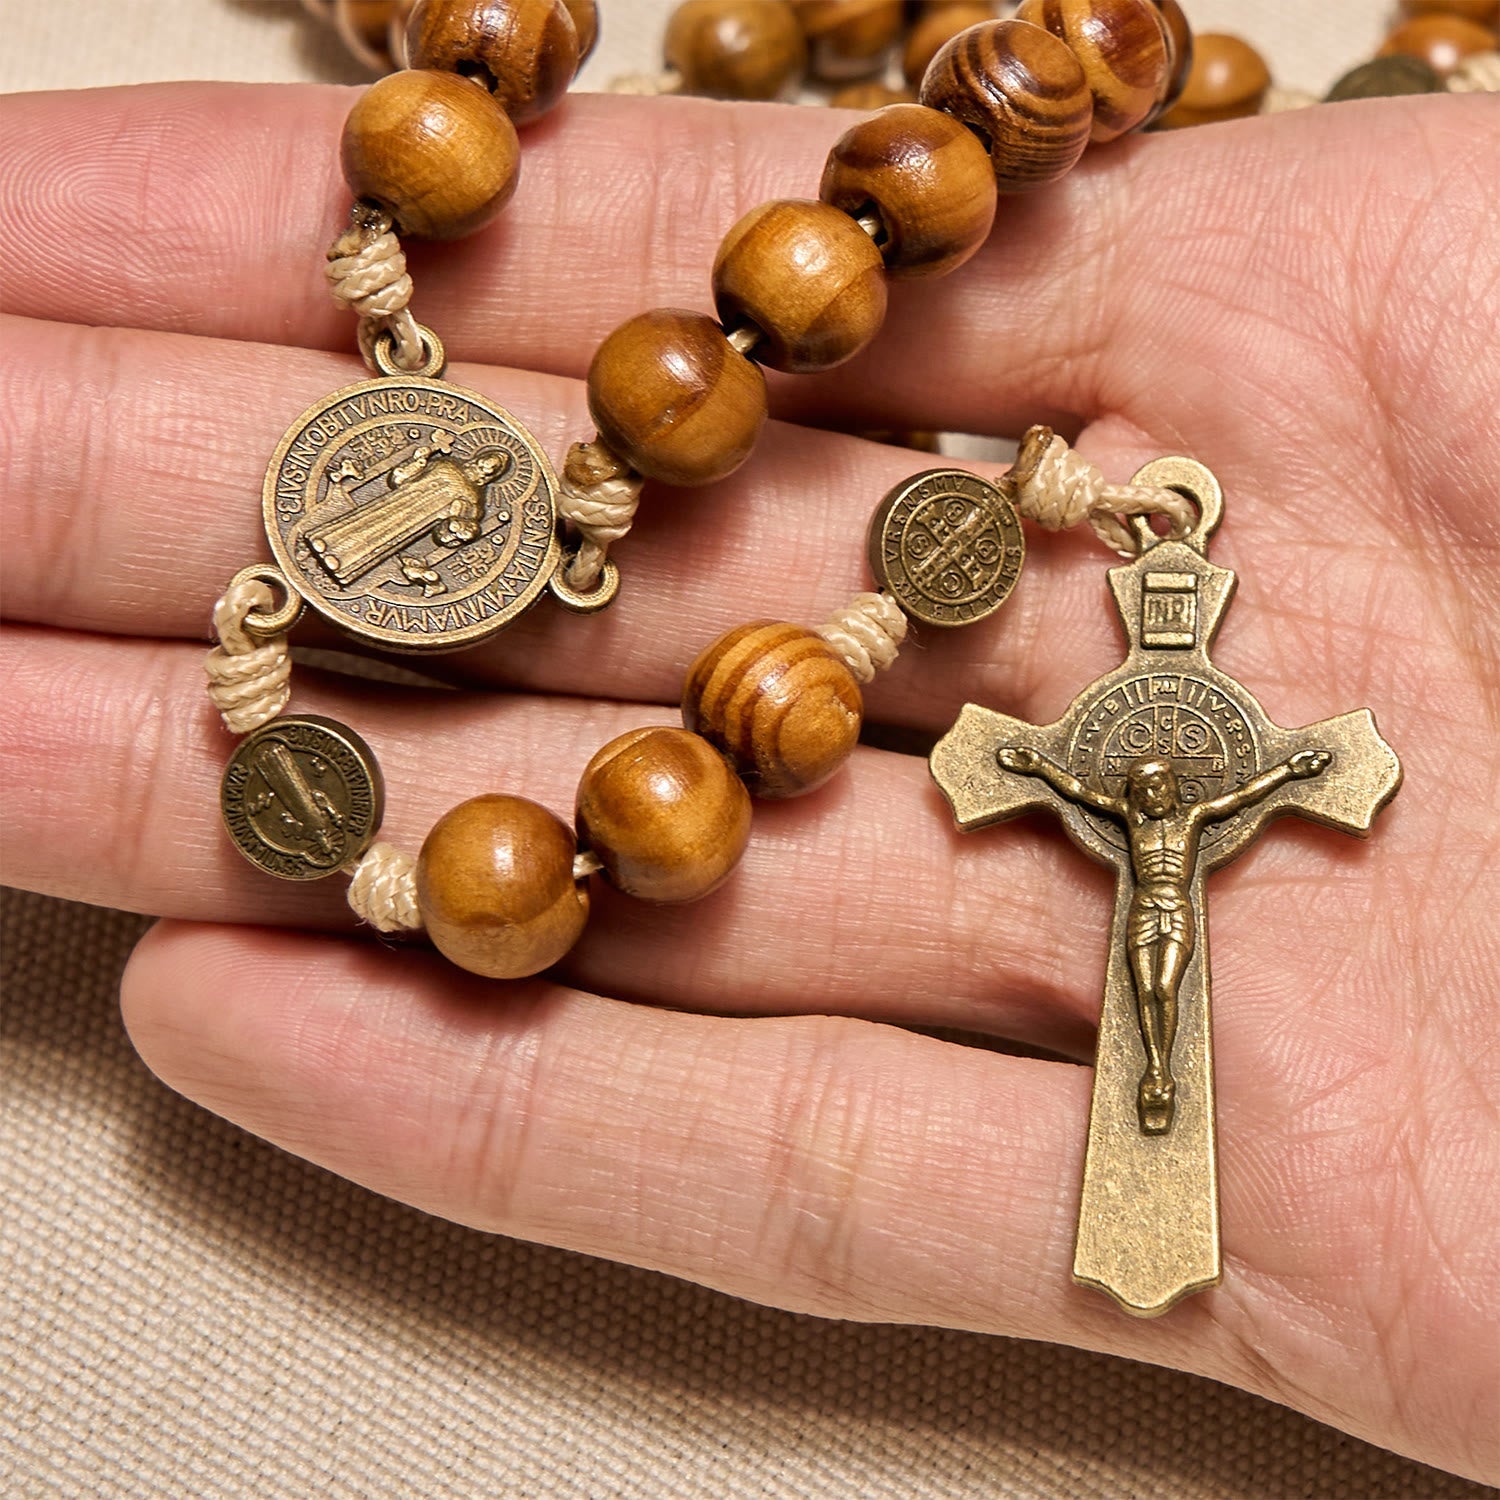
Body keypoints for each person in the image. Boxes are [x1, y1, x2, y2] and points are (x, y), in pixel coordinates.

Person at [0, 79, 1495, 1486]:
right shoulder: (1067, 768)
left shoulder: (1230, 778)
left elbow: (1310, 767)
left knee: (1152, 1008)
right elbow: (1024, 763)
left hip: (1080, 854)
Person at [995, 748, 1331, 1133]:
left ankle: (1163, 1071)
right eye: (1143, 790)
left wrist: (1289, 769)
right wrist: (1038, 766)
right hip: (1142, 910)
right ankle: (1154, 1067)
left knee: (1165, 987)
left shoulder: (1192, 818)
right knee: (1143, 991)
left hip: (1175, 909)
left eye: (1158, 787)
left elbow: (1242, 797)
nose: (1152, 796)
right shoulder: (1130, 820)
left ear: (1172, 787)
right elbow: (1078, 792)